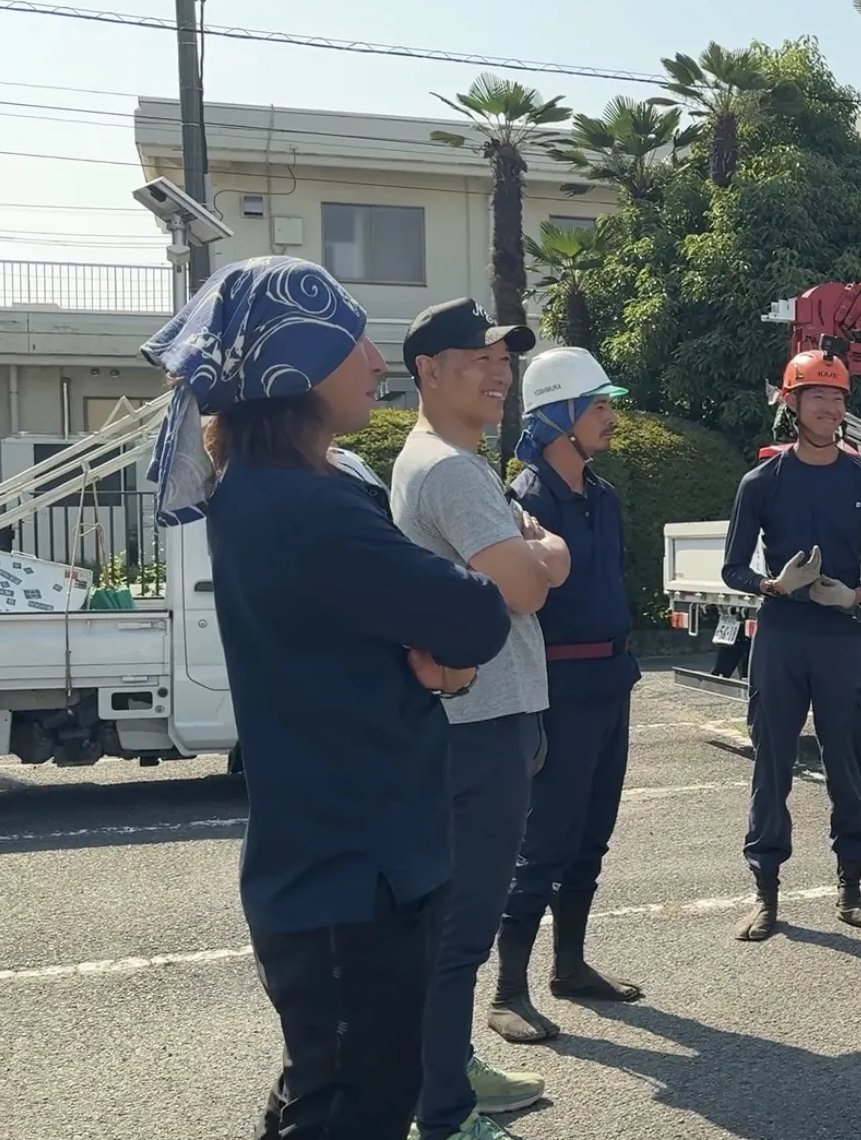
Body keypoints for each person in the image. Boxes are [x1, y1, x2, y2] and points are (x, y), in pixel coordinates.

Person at [141, 257, 511, 1140]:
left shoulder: (269, 492)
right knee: (353, 1110)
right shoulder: (308, 507)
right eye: (355, 339)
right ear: (297, 361)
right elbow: (477, 614)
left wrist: (446, 652)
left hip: (332, 870)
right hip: (357, 881)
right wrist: (453, 661)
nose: (377, 361)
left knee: (327, 1092)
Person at [391, 299, 568, 1140]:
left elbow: (529, 560)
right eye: (479, 355)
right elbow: (528, 583)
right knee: (460, 928)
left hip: (481, 718)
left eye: (505, 358)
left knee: (455, 921)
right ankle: (446, 1112)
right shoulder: (454, 472)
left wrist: (534, 549)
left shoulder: (447, 458)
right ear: (428, 369)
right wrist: (540, 550)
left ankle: (449, 1067)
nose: (501, 371)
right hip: (479, 724)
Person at [488, 347, 645, 1045]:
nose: (611, 417)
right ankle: (507, 989)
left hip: (612, 681)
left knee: (592, 835)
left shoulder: (604, 496)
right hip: (558, 689)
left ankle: (570, 964)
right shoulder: (524, 499)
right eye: (599, 407)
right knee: (543, 841)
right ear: (559, 417)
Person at [722, 349, 861, 942]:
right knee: (771, 765)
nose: (831, 406)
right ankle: (765, 893)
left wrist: (857, 595)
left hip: (840, 638)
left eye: (839, 396)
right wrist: (771, 584)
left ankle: (852, 891)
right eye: (818, 396)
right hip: (781, 635)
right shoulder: (762, 482)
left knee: (847, 764)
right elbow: (732, 568)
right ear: (791, 403)